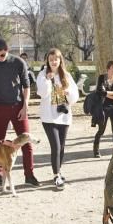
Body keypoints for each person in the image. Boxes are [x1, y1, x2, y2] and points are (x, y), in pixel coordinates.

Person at [0, 38, 39, 186]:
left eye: (2, 55)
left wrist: (25, 106)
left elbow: (26, 86)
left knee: (26, 141)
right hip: (0, 107)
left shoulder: (19, 62)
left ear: (7, 50)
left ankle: (29, 174)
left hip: (18, 106)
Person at [36, 48, 80, 189]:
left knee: (61, 147)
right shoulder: (43, 74)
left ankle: (58, 172)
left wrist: (68, 93)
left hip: (64, 116)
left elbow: (75, 96)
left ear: (60, 60)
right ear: (47, 61)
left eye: (56, 59)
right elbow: (42, 93)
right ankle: (56, 176)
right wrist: (48, 80)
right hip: (49, 117)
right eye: (51, 59)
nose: (54, 62)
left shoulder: (66, 75)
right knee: (55, 146)